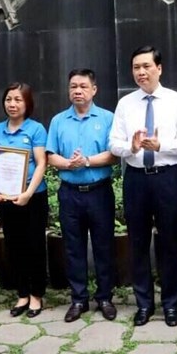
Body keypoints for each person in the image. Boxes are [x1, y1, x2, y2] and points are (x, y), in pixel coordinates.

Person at [109, 45, 177, 327]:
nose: (141, 72)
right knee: (137, 242)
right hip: (136, 179)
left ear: (159, 68)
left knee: (170, 241)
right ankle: (143, 304)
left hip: (167, 177)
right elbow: (114, 143)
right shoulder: (125, 103)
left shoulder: (176, 101)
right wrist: (130, 147)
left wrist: (162, 145)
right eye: (136, 67)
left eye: (146, 66)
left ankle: (171, 304)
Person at [48, 70, 117, 322]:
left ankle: (105, 297)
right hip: (69, 194)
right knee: (73, 248)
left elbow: (114, 154)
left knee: (104, 246)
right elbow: (50, 154)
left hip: (99, 192)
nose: (78, 91)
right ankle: (78, 299)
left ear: (94, 89)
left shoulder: (108, 118)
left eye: (83, 86)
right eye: (73, 86)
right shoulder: (58, 121)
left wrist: (86, 162)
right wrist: (68, 164)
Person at [0, 83, 48, 318]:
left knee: (34, 245)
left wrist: (27, 193)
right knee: (14, 245)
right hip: (5, 196)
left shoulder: (35, 129)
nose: (12, 104)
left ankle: (36, 295)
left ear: (27, 103)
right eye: (8, 99)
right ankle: (22, 293)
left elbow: (41, 163)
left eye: (18, 100)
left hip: (32, 197)